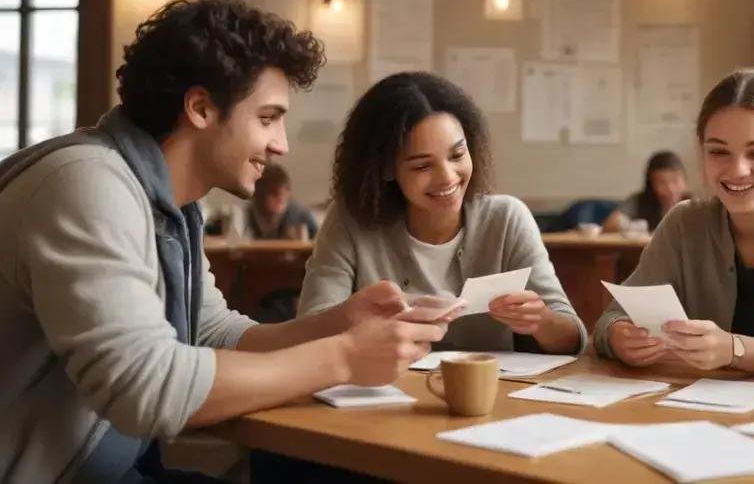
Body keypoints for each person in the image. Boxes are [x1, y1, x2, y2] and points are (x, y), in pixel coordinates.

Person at [0, 0, 452, 483]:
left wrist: (338, 323)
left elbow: (212, 333)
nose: (281, 144)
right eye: (267, 118)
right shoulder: (86, 184)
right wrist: (343, 356)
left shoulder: (168, 203)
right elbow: (146, 388)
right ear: (200, 108)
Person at [594, 68, 754, 375]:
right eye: (719, 152)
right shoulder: (683, 222)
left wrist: (734, 349)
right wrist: (619, 337)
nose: (737, 170)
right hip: (694, 401)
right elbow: (609, 320)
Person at [298, 72, 585, 354]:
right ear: (385, 168)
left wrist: (541, 321)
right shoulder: (350, 220)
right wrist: (362, 319)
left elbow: (573, 338)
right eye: (422, 166)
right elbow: (309, 328)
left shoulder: (506, 219)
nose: (447, 177)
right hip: (384, 383)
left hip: (490, 385)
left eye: (457, 155)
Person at [602, 150, 690, 233]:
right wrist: (637, 228)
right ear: (652, 184)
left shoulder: (692, 205)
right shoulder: (639, 201)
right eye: (662, 182)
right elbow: (611, 224)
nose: (670, 188)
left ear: (685, 180)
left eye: (675, 180)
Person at [244, 163, 318, 240]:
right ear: (260, 194)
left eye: (286, 190)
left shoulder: (300, 215)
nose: (281, 197)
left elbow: (319, 240)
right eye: (274, 193)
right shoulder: (248, 215)